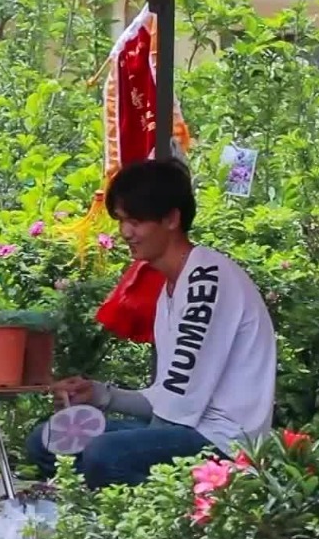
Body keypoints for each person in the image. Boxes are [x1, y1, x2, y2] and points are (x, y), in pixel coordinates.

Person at [25, 159, 277, 488]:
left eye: (136, 221)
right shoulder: (172, 286)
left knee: (105, 454)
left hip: (225, 442)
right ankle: (104, 500)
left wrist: (118, 445)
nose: (125, 232)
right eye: (121, 220)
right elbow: (168, 395)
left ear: (171, 219)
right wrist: (98, 394)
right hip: (183, 428)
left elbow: (178, 404)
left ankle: (166, 514)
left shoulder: (206, 280)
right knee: (47, 440)